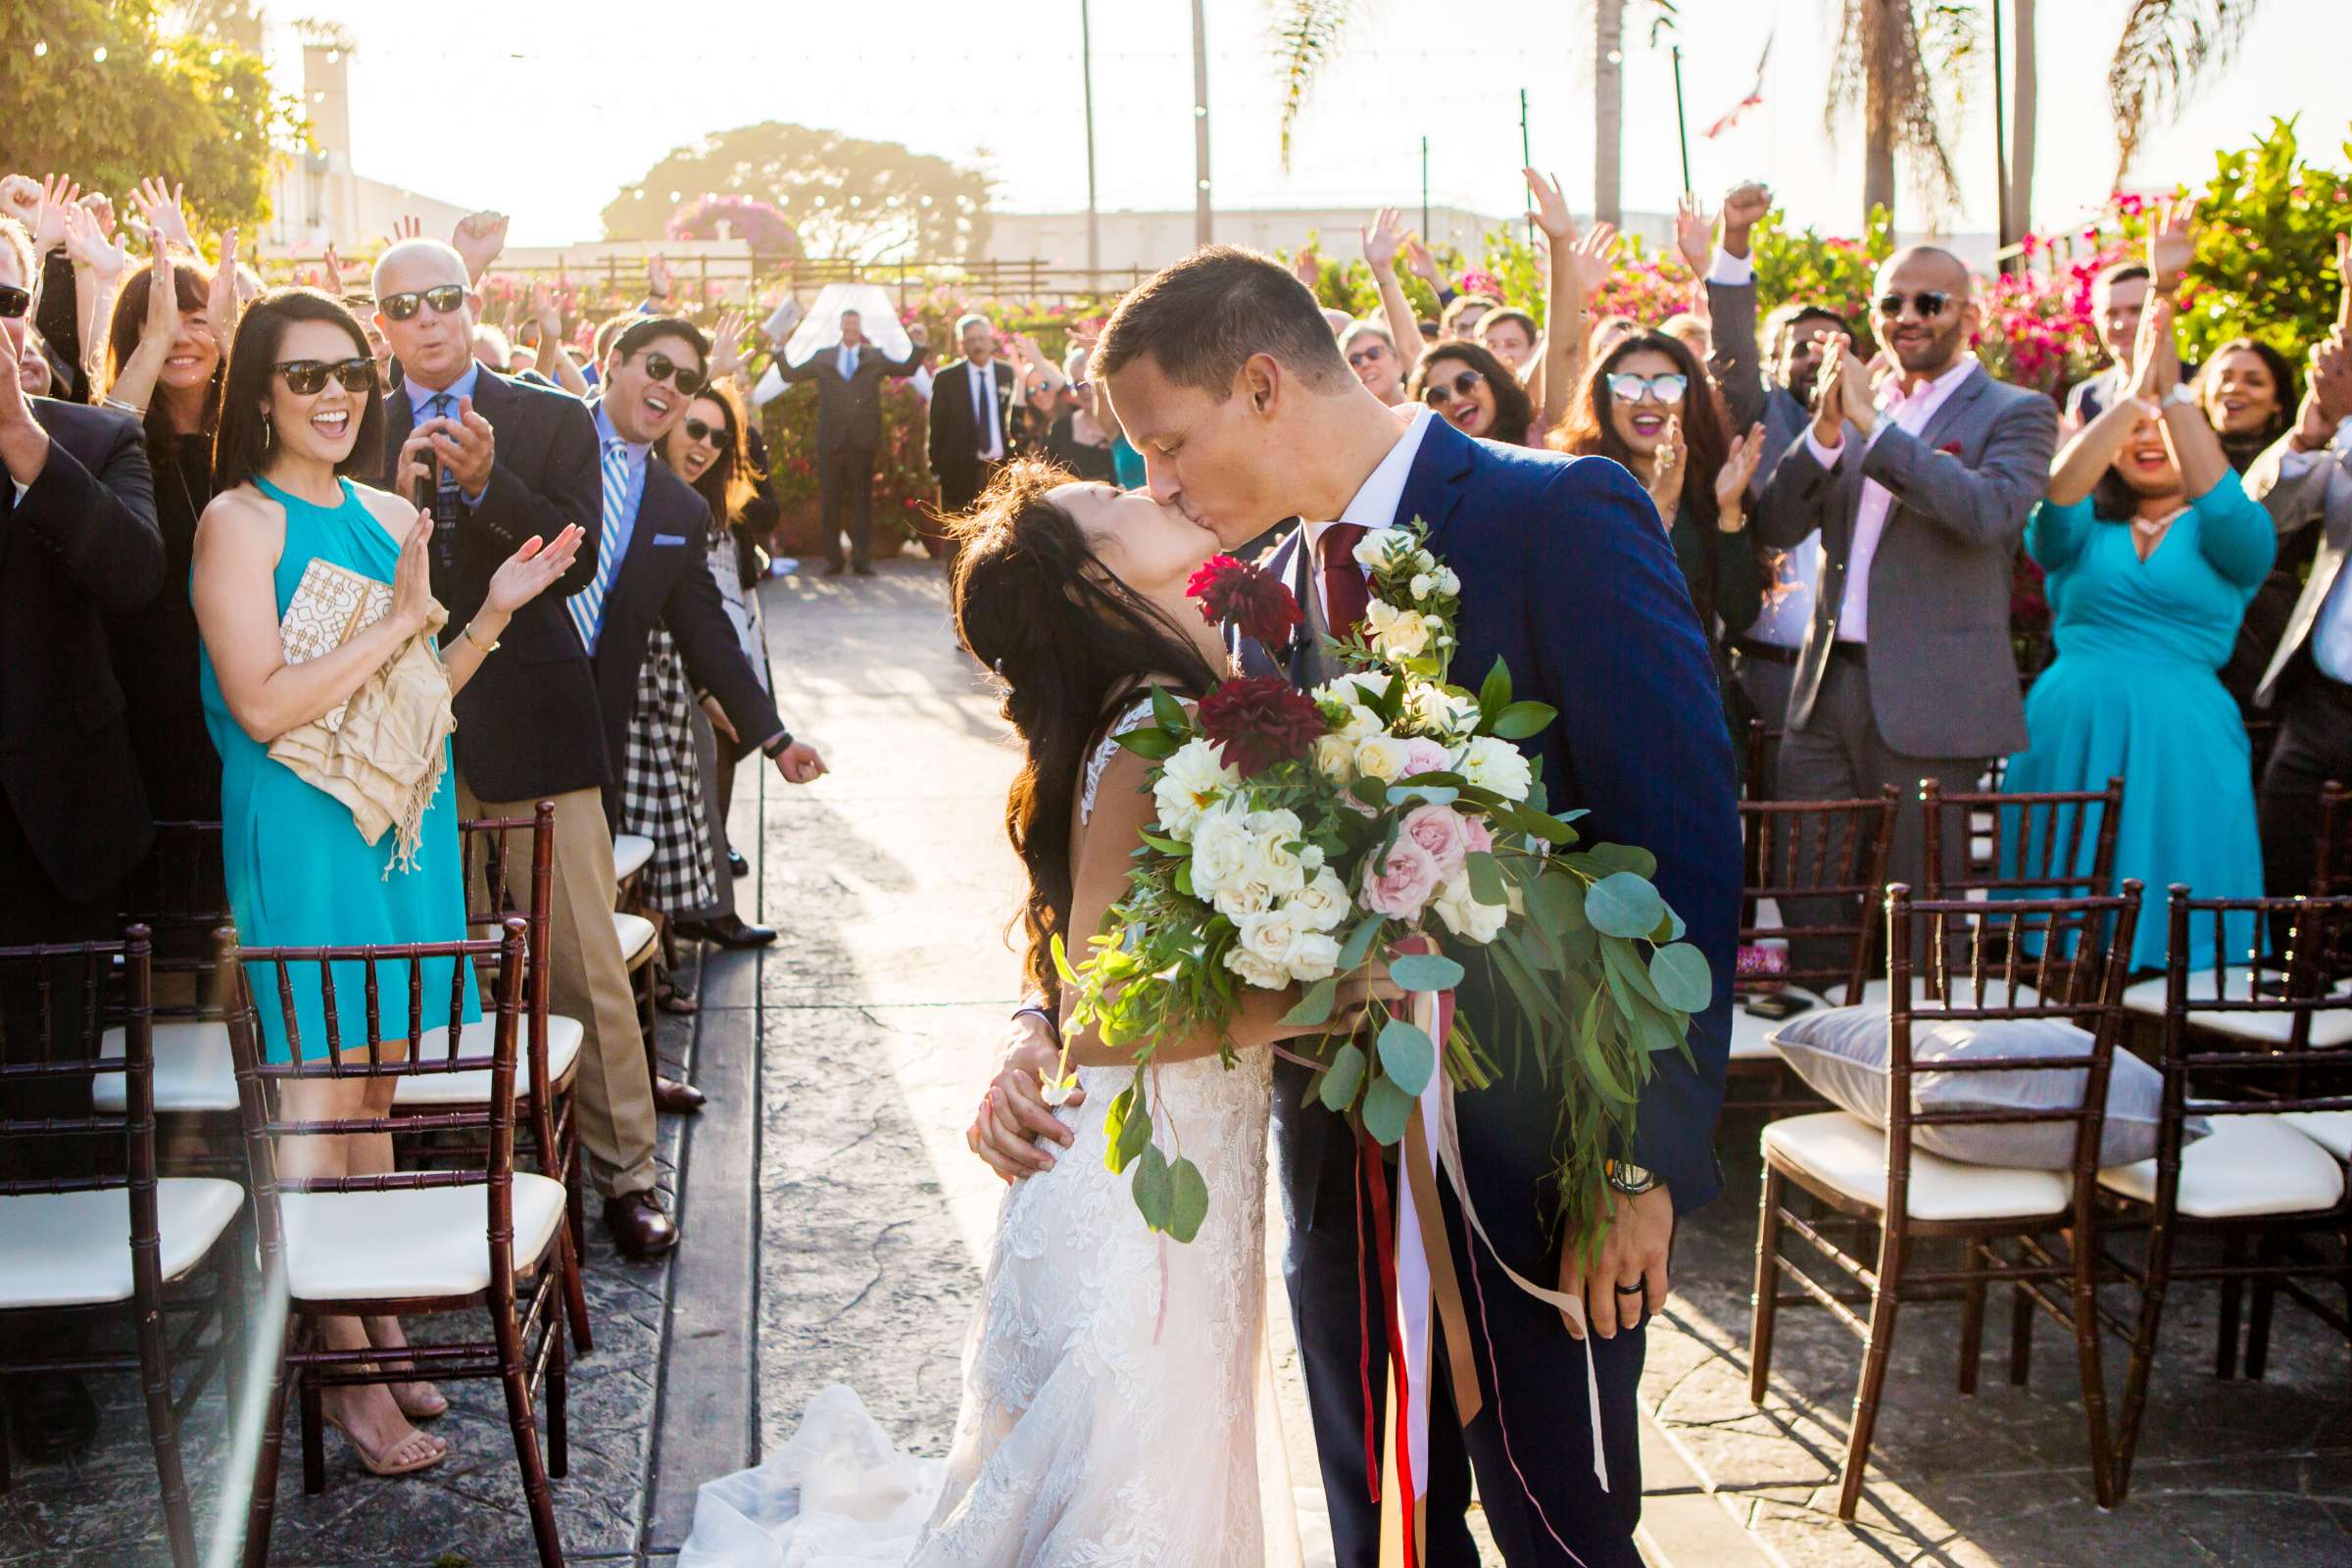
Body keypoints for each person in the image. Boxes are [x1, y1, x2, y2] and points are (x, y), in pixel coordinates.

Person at [975, 246, 1739, 1567]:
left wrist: (1637, 1160)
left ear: (1261, 385)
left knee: (1568, 1524)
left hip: (1540, 1164)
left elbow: (1679, 845)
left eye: (1166, 443)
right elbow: (1153, 887)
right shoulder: (1248, 603)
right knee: (1379, 1532)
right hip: (1337, 1168)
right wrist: (1045, 1024)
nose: (1157, 483)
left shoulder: (1553, 516)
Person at [678, 459, 1405, 1563]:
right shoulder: (1149, 727)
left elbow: (1071, 952)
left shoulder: (1196, 678)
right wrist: (1332, 989)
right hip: (1130, 1172)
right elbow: (1104, 1018)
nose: (1146, 485)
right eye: (1106, 504)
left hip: (1183, 1148)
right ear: (1090, 584)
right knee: (1127, 1477)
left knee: (1156, 1464)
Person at [192, 285, 582, 1476]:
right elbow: (263, 704)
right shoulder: (238, 523)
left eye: (345, 373)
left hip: (394, 832)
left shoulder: (379, 506)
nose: (330, 394)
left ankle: (382, 1324)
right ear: (260, 390)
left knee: (372, 1100)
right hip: (304, 837)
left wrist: (488, 617)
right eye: (302, 374)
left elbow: (412, 702)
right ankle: (351, 1381)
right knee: (317, 1110)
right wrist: (403, 619)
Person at [366, 240, 695, 1255]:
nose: (427, 318)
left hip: (533, 727)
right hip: (394, 733)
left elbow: (579, 548)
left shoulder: (546, 413)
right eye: (404, 304)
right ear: (381, 323)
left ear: (472, 304)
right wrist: (398, 482)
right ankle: (454, 1169)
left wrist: (490, 479)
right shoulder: (355, 422)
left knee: (580, 961)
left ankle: (624, 1175)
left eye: (444, 298)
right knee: (420, 960)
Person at [1754, 245, 2058, 939]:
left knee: (1918, 910)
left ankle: (1914, 1043)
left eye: (1929, 303)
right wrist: (1827, 432)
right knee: (1804, 882)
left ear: (1971, 315)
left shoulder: (2018, 411)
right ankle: (1813, 1023)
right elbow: (1775, 528)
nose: (1907, 318)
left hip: (1934, 694)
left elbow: (1989, 514)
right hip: (1824, 687)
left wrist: (1873, 426)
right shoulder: (1854, 406)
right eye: (1891, 303)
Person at [0, 213, 163, 1462]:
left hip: (52, 848)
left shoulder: (98, 441)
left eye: (6, 298)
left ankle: (42, 1375)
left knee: (50, 1122)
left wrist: (22, 453)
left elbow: (132, 581)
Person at [2005, 296, 2273, 970]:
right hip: (2070, 730)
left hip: (2186, 740)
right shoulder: (2076, 530)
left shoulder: (2235, 533)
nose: (2148, 440)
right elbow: (2057, 493)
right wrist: (2133, 395)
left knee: (2184, 888)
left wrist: (2171, 392)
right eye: (2133, 432)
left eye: (2166, 431)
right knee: (2058, 910)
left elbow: (2220, 494)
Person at [574, 316, 828, 922]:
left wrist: (775, 737)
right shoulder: (552, 431)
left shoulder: (677, 505)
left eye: (686, 378)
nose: (669, 385)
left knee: (584, 913)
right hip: (503, 715)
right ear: (614, 360)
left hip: (596, 733)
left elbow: (708, 631)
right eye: (657, 367)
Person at [1552, 330, 1768, 773]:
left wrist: (1729, 512)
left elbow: (1739, 612)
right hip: (1605, 712)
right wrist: (1660, 505)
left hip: (1696, 708)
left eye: (1666, 385)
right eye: (1629, 385)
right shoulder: (1575, 485)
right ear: (1604, 396)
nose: (1647, 400)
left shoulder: (1713, 484)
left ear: (1690, 398)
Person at [626, 379, 778, 955]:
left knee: (702, 790)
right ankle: (688, 927)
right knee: (667, 814)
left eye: (720, 436)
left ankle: (694, 920)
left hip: (721, 653)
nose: (707, 444)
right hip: (657, 681)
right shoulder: (637, 494)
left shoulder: (708, 501)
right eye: (695, 429)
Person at [101, 229, 236, 826]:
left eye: (197, 318)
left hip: (253, 691)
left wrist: (238, 340)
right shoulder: (118, 443)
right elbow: (100, 450)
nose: (179, 336)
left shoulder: (252, 441)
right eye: (157, 321)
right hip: (149, 701)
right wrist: (153, 346)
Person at [2248, 252, 2352, 908]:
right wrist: (2308, 436)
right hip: (2320, 701)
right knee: (2281, 876)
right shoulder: (2336, 430)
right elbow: (2258, 522)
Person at [772, 307, 927, 575]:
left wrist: (919, 345)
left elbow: (907, 368)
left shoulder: (874, 357)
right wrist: (779, 348)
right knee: (830, 501)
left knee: (862, 501)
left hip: (862, 442)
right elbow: (790, 374)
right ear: (841, 327)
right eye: (847, 325)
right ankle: (833, 560)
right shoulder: (824, 357)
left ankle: (861, 559)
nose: (851, 329)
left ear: (861, 328)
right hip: (830, 441)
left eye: (855, 325)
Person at [2201, 336, 2306, 710]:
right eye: (2224, 376)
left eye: (2254, 381)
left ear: (2278, 400)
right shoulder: (2167, 462)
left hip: (2266, 637)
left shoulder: (2302, 467)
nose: (2235, 388)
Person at [2063, 205, 2194, 431]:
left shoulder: (2196, 383)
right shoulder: (2085, 397)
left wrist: (2164, 281)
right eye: (2111, 313)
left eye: (2136, 311)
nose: (2122, 323)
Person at [928, 313, 1014, 517]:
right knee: (958, 541)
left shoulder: (1008, 374)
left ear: (991, 341)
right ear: (961, 345)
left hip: (1000, 470)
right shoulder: (946, 379)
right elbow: (937, 427)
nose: (977, 345)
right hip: (959, 473)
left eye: (981, 338)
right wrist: (938, 469)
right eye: (971, 340)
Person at [1407, 338, 1538, 447]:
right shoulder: (1430, 472)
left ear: (1492, 381)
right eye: (1438, 395)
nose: (1455, 399)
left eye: (1465, 382)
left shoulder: (1538, 435)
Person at [1341, 319, 1407, 407]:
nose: (1364, 363)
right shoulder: (1344, 420)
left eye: (1374, 353)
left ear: (1398, 361)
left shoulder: (1427, 408)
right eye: (1354, 360)